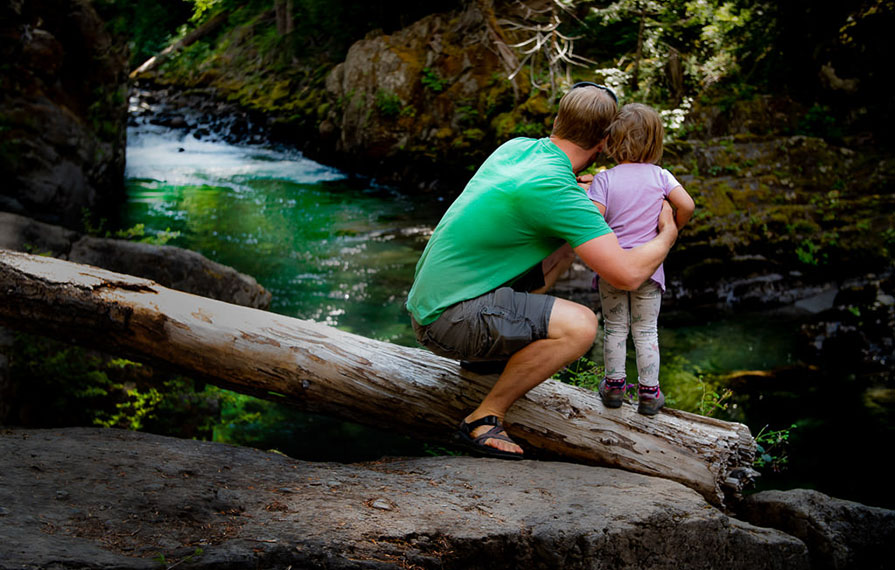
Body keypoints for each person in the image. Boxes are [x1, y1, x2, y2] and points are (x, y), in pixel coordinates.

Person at [405, 83, 678, 460]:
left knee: (564, 248)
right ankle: (484, 417)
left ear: (558, 120)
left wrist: (586, 194)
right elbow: (628, 276)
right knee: (581, 325)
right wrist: (667, 233)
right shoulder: (558, 193)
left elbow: (544, 200)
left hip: (430, 304)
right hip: (449, 321)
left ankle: (486, 358)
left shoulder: (517, 149)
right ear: (603, 142)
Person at [585, 103, 695, 416]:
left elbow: (592, 220)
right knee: (646, 331)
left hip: (613, 266)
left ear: (611, 142)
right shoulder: (661, 177)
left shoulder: (604, 181)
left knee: (615, 328)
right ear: (654, 142)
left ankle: (614, 387)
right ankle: (649, 393)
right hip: (649, 268)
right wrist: (673, 229)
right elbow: (687, 205)